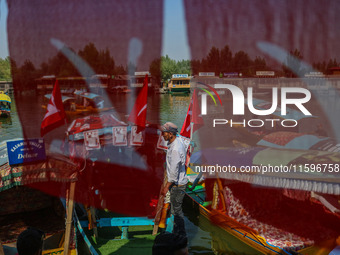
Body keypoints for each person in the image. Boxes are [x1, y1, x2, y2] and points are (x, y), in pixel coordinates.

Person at [160, 122, 188, 237]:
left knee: (176, 211)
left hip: (177, 185)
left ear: (171, 134)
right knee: (175, 210)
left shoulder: (176, 148)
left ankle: (181, 234)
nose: (162, 135)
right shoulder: (175, 141)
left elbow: (174, 172)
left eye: (164, 133)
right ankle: (178, 233)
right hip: (177, 183)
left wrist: (166, 187)